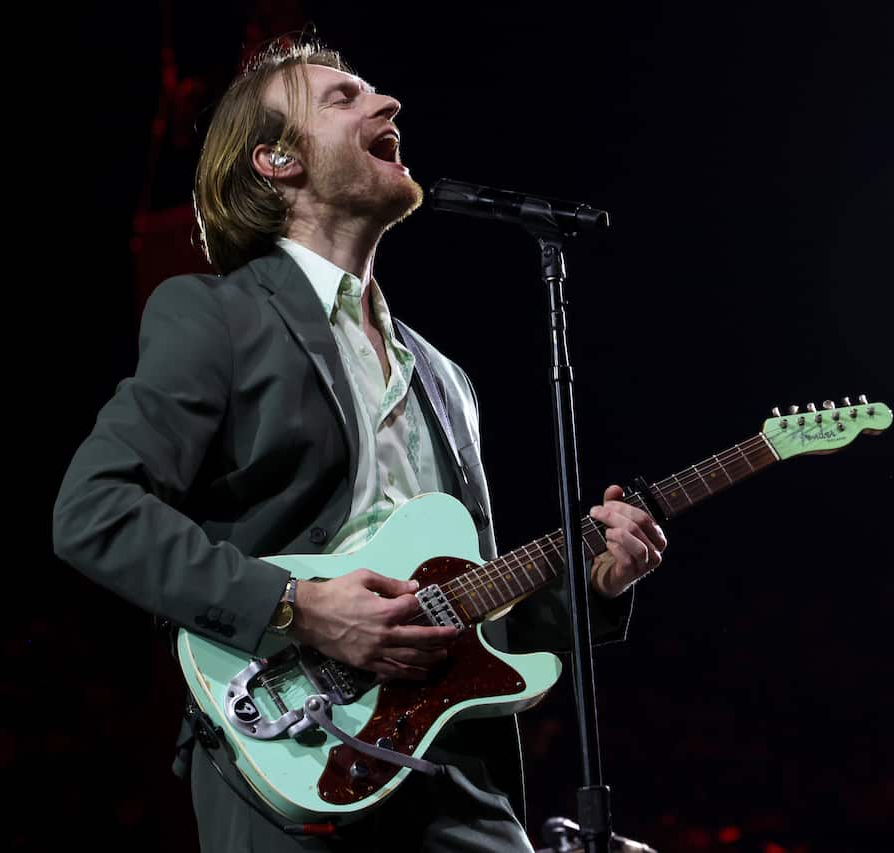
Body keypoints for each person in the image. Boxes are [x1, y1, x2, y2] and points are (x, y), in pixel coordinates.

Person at [52, 39, 667, 853]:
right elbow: (93, 511)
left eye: (374, 92)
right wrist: (298, 606)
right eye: (343, 99)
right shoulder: (218, 317)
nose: (389, 107)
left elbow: (471, 622)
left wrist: (592, 585)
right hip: (289, 753)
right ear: (275, 160)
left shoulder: (445, 378)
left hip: (450, 772)